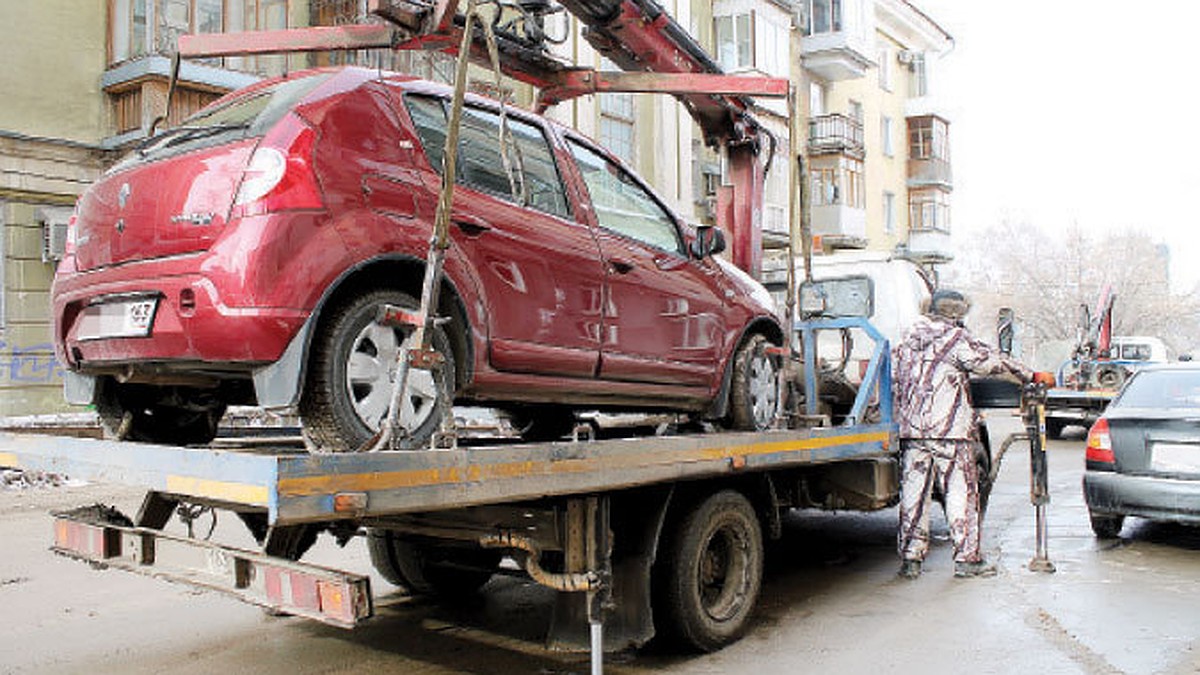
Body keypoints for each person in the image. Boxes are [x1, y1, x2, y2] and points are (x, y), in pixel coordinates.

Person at [892, 289, 1053, 579]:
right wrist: (1031, 375)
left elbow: (893, 382)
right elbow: (989, 362)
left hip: (912, 432)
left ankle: (911, 560)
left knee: (914, 495)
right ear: (956, 313)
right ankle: (967, 560)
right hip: (949, 432)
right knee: (960, 494)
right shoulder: (955, 339)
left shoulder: (906, 340)